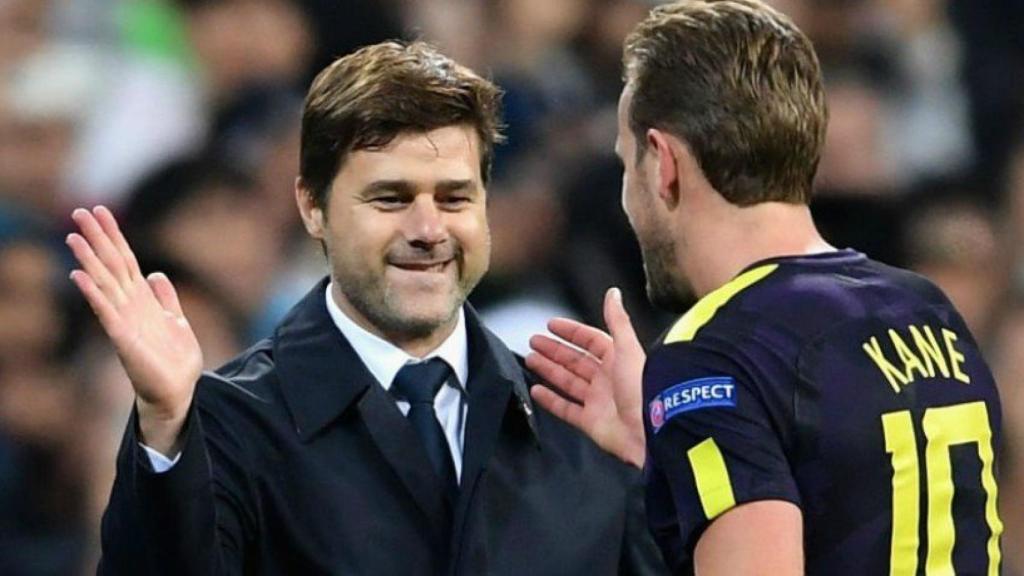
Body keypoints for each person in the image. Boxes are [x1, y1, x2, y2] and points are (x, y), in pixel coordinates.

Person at [67, 41, 667, 575]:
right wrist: (168, 423)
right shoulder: (228, 424)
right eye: (390, 198)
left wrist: (661, 469)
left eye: (455, 197)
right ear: (313, 207)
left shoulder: (579, 419)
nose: (429, 229)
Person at [526, 1, 1005, 575]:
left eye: (627, 166)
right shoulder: (927, 309)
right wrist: (662, 453)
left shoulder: (713, 352)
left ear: (662, 163)